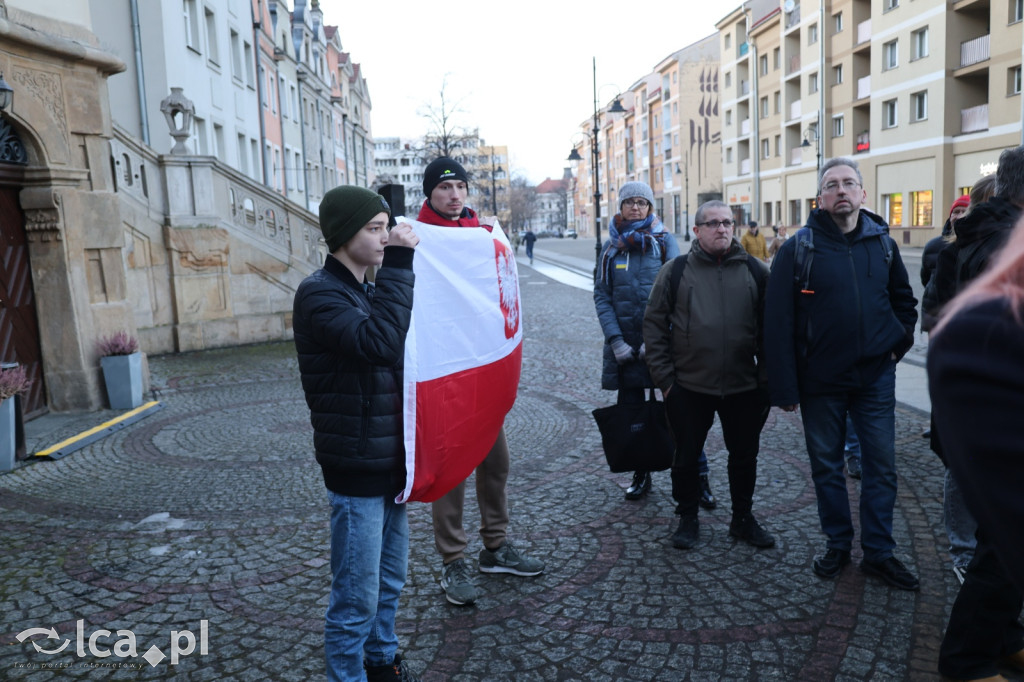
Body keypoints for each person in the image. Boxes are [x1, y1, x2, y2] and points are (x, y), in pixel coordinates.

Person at [764, 157, 919, 590]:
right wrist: (785, 387)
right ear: (821, 198)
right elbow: (777, 324)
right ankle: (837, 543)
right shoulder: (800, 248)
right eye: (832, 185)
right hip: (821, 383)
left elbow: (904, 304)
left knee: (881, 466)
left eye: (849, 183)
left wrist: (895, 348)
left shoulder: (882, 245)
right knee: (827, 468)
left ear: (863, 194)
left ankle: (879, 553)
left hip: (874, 378)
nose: (841, 191)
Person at [292, 186, 422, 681]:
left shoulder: (366, 289)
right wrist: (401, 265)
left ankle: (381, 661)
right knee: (355, 598)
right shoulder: (319, 293)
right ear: (345, 235)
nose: (386, 237)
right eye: (374, 228)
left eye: (386, 227)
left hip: (389, 461)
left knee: (389, 582)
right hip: (354, 467)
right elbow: (381, 343)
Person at [416, 157, 544, 607]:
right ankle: (453, 560)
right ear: (430, 193)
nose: (454, 194)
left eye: (460, 186)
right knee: (451, 470)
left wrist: (491, 241)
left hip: (481, 370)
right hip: (447, 374)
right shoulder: (418, 238)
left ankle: (496, 546)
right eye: (445, 187)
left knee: (496, 464)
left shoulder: (480, 234)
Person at [643, 199, 774, 550]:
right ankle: (687, 518)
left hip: (743, 386)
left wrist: (765, 382)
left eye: (728, 223)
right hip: (688, 386)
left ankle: (742, 519)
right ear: (697, 230)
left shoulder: (756, 271)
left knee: (744, 457)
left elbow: (772, 329)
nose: (722, 229)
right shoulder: (675, 270)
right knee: (685, 457)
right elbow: (653, 325)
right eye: (713, 223)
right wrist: (666, 382)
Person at [929, 214, 1024, 681]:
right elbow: (937, 321)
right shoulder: (972, 249)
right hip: (994, 409)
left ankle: (1004, 639)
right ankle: (966, 658)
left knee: (1001, 551)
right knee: (999, 549)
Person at [593, 182, 717, 507]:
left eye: (642, 202)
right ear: (620, 207)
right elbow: (602, 296)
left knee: (681, 414)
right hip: (625, 352)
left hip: (661, 349)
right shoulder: (611, 249)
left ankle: (698, 478)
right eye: (629, 202)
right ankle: (641, 473)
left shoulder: (663, 243)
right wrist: (616, 340)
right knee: (633, 416)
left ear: (650, 208)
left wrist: (658, 338)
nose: (636, 208)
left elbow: (679, 291)